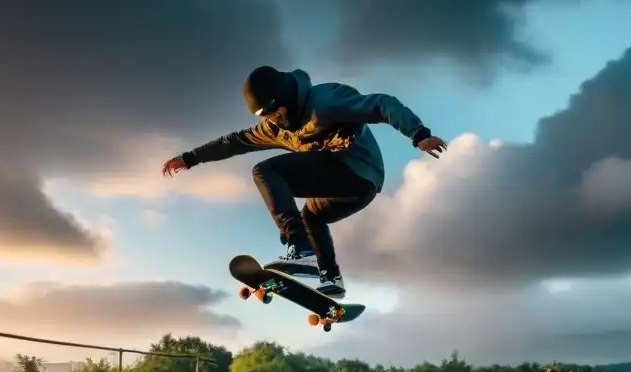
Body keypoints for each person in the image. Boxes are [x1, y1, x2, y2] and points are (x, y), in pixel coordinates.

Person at [162, 66, 447, 298]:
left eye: (274, 111)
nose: (274, 120)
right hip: (357, 190)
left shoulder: (325, 102)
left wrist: (418, 133)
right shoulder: (273, 129)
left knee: (265, 172)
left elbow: (381, 103)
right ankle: (330, 277)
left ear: (285, 98)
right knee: (312, 214)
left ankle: (301, 249)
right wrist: (190, 157)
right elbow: (234, 142)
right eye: (265, 116)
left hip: (357, 171)